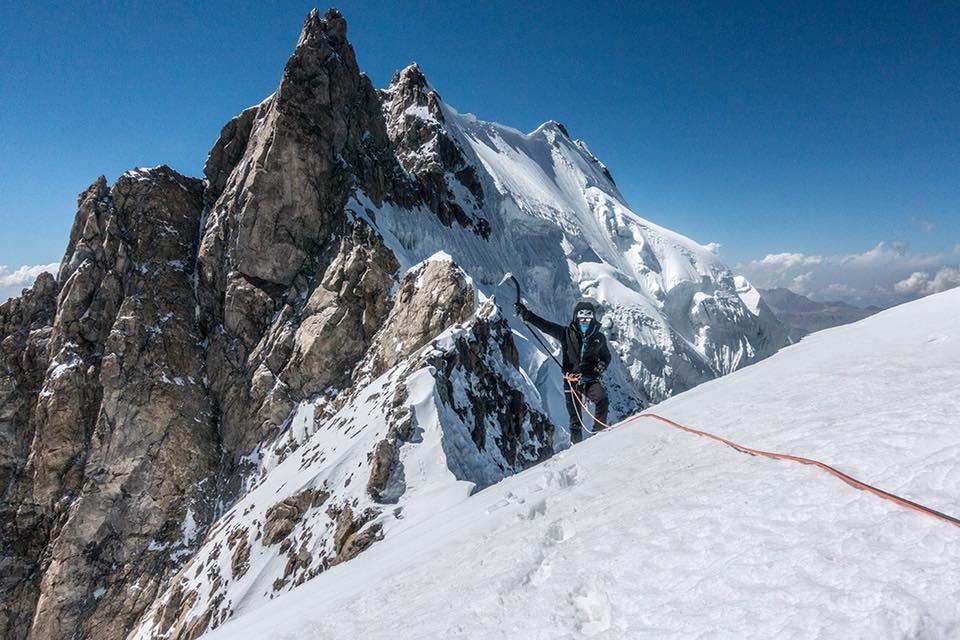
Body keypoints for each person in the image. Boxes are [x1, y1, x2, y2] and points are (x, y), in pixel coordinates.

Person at [513, 300, 611, 443]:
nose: (584, 322)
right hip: (571, 381)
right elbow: (545, 326)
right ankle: (577, 446)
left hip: (589, 379)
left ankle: (598, 435)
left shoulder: (599, 338)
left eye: (588, 318)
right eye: (582, 318)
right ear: (576, 318)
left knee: (602, 399)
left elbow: (606, 356)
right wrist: (526, 314)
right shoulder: (566, 333)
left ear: (593, 319)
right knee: (575, 420)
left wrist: (602, 364)